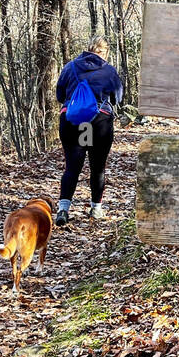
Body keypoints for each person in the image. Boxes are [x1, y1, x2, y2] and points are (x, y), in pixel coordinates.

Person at [55, 36, 124, 225]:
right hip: (100, 123)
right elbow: (118, 98)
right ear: (104, 52)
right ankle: (96, 209)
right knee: (97, 167)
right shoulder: (109, 71)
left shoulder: (70, 67)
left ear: (89, 49)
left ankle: (63, 209)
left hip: (72, 122)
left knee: (72, 167)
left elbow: (60, 95)